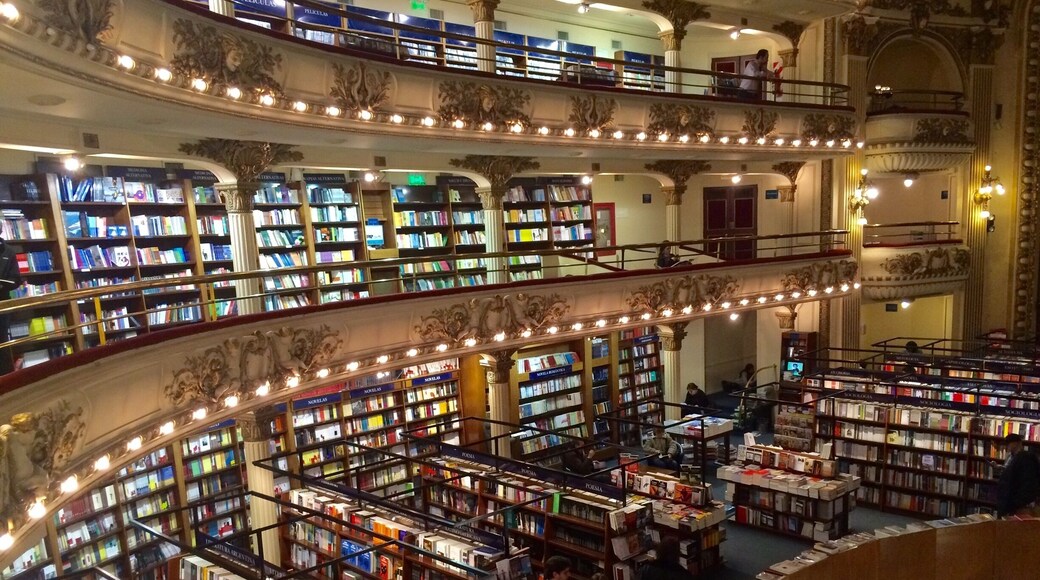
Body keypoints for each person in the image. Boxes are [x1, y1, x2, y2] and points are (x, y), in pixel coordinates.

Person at [994, 433, 1040, 517]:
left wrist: (1016, 503)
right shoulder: (1012, 457)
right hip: (1012, 503)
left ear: (1016, 443)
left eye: (1008, 444)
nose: (1006, 446)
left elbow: (1026, 481)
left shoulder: (1025, 458)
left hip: (1018, 505)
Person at [0, 236, 22, 375]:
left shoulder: (8, 251)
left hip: (2, 302)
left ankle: (6, 376)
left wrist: (2, 284)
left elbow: (16, 279)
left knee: (2, 340)